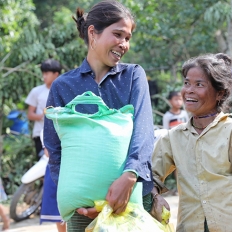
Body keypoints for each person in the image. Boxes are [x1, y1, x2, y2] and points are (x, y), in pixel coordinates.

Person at [43, 1, 154, 231]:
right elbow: (55, 149)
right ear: (93, 32)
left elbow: (143, 133)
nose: (124, 44)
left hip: (130, 202)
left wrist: (130, 176)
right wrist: (78, 198)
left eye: (128, 38)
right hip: (84, 213)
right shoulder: (63, 86)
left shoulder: (133, 76)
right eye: (118, 34)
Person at [150, 53, 232, 231]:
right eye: (186, 83)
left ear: (220, 93)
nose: (189, 90)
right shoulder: (174, 137)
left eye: (199, 84)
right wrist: (155, 196)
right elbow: (150, 176)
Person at [25, 59, 62, 156]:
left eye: (47, 73)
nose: (44, 76)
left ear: (56, 74)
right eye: (43, 73)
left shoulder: (63, 91)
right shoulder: (36, 91)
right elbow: (30, 115)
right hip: (40, 134)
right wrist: (44, 115)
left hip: (59, 135)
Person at [39, 130, 66, 232]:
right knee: (58, 210)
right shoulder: (47, 128)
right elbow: (47, 152)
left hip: (68, 167)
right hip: (56, 167)